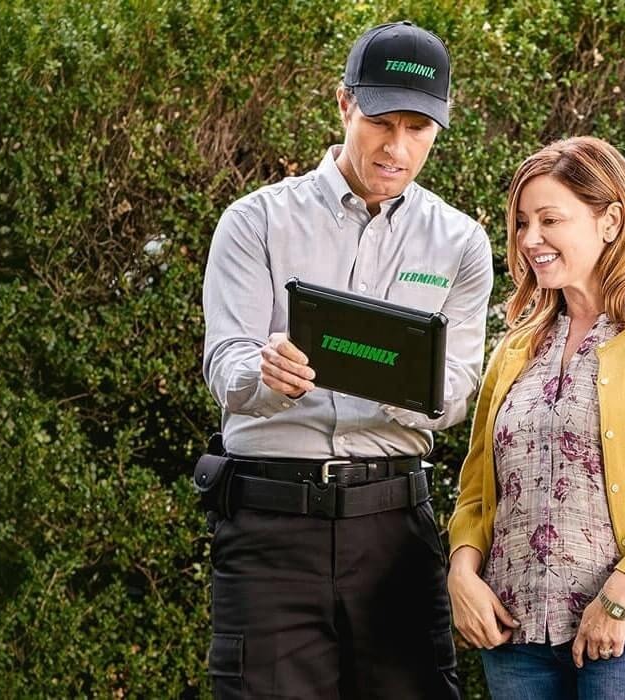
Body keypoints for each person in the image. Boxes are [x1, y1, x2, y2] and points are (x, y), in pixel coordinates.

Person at [197, 20, 492, 699]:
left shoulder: (461, 244)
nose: (398, 147)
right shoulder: (255, 221)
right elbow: (226, 364)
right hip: (270, 530)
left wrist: (401, 379)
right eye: (381, 123)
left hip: (395, 533)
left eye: (419, 128)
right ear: (343, 104)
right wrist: (264, 375)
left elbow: (456, 390)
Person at [444, 136, 625, 699]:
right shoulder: (515, 348)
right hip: (518, 635)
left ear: (611, 221)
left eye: (550, 220)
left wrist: (619, 596)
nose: (531, 239)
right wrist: (461, 573)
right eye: (522, 223)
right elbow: (476, 489)